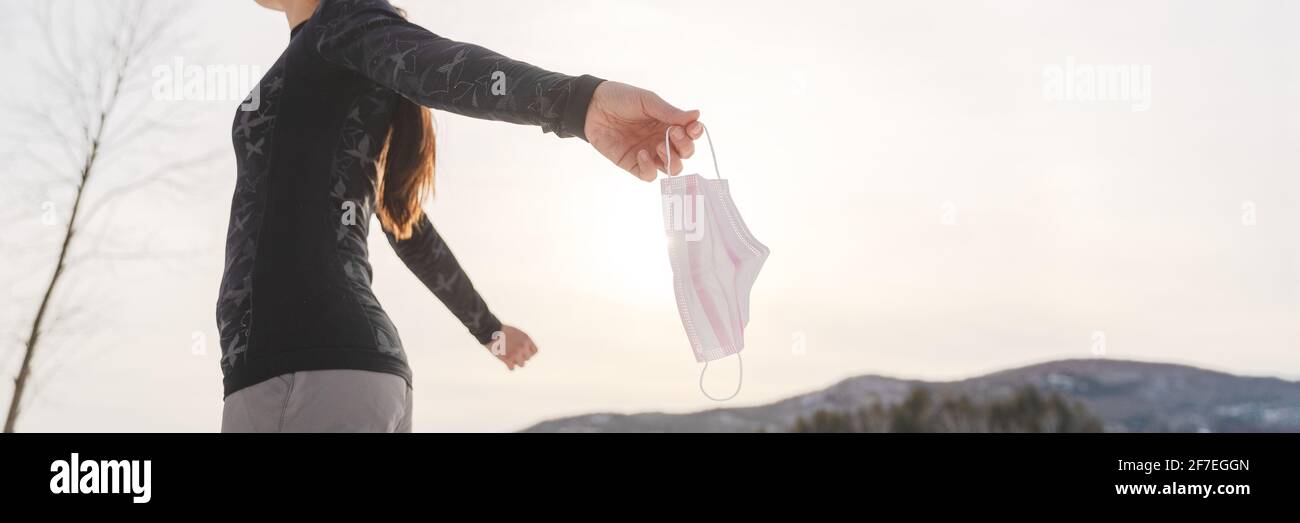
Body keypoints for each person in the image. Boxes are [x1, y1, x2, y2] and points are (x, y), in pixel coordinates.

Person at [218, 0, 704, 432]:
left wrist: (580, 103)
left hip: (305, 372)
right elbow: (407, 226)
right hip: (323, 374)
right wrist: (489, 331)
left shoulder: (345, 17)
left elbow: (432, 66)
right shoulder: (323, 60)